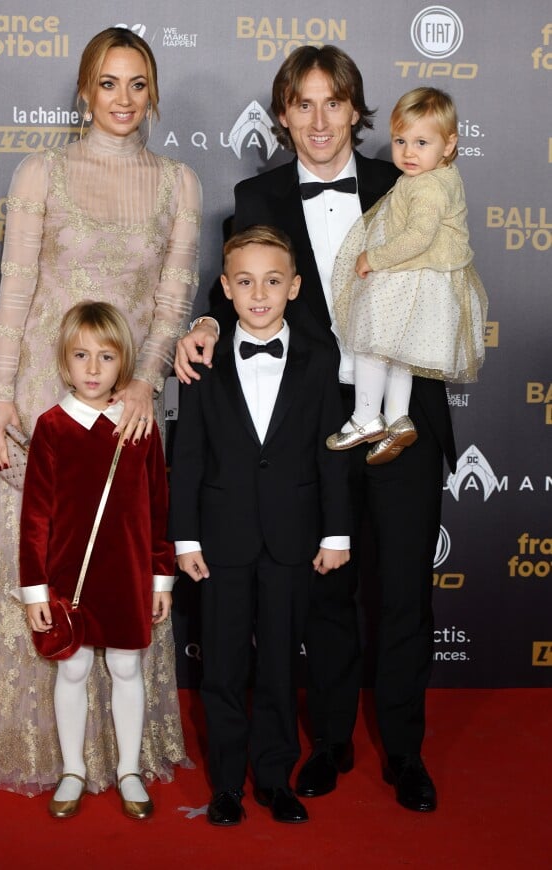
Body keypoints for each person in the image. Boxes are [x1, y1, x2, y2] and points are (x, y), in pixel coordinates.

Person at [174, 45, 456, 812]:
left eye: (335, 102)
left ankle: (404, 751)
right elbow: (232, 279)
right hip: (309, 430)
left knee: (402, 591)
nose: (320, 119)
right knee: (324, 596)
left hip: (399, 418)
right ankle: (329, 742)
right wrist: (203, 318)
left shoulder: (405, 181)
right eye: (304, 103)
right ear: (284, 115)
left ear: (357, 112)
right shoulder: (255, 192)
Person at [0, 26, 201, 796]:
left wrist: (150, 379)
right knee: (49, 568)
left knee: (123, 573)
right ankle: (57, 759)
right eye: (108, 83)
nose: (123, 100)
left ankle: (125, 758)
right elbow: (16, 293)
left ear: (154, 93)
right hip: (45, 405)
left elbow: (171, 301)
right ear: (83, 90)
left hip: (128, 411)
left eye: (138, 84)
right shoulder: (39, 172)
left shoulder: (180, 182)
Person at [168, 226, 351, 826]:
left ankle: (274, 777)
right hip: (221, 537)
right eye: (244, 283)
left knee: (279, 662)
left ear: (295, 287)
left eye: (273, 281)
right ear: (225, 288)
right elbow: (188, 454)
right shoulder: (201, 357)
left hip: (293, 535)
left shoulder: (321, 357)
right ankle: (226, 784)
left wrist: (336, 532)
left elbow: (332, 451)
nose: (260, 294)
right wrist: (186, 536)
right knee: (221, 665)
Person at [20, 301, 175, 819]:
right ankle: (73, 770)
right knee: (74, 668)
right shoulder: (51, 427)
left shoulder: (141, 426)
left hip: (128, 574)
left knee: (128, 666)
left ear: (123, 364)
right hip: (68, 578)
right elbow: (35, 517)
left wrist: (161, 580)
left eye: (105, 358)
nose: (92, 369)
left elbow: (158, 508)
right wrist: (36, 590)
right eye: (81, 356)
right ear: (64, 363)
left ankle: (129, 769)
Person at [327, 87, 487, 459]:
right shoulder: (437, 177)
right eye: (400, 140)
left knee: (370, 342)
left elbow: (418, 237)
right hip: (425, 280)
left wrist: (374, 258)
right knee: (399, 353)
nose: (408, 152)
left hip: (409, 277)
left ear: (448, 145)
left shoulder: (429, 187)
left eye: (421, 142)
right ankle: (398, 418)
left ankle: (366, 416)